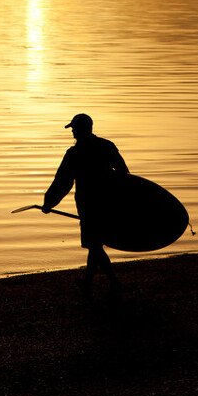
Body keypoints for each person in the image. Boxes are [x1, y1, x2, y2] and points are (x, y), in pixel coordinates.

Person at [42, 113, 129, 299]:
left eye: (74, 128)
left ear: (81, 129)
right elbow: (124, 173)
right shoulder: (106, 146)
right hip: (108, 203)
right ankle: (88, 283)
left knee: (95, 244)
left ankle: (113, 281)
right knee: (94, 243)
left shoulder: (74, 153)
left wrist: (49, 202)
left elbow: (62, 181)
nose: (72, 131)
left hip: (88, 204)